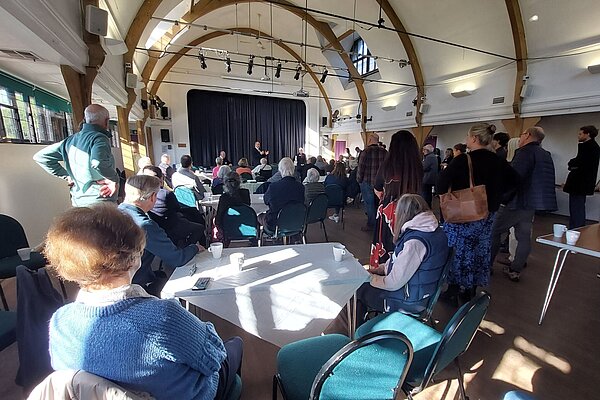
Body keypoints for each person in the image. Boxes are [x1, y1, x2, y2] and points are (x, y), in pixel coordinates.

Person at [45, 204, 242, 400]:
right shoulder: (161, 316)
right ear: (134, 257)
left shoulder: (59, 321)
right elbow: (213, 358)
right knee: (235, 345)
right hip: (192, 394)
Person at [437, 123, 518, 303]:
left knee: (457, 251)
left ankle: (453, 289)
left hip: (462, 215)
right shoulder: (498, 160)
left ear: (474, 138)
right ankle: (470, 289)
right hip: (486, 215)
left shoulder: (463, 160)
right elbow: (515, 182)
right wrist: (497, 199)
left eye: (467, 136)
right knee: (479, 251)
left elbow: (442, 183)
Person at [356, 194, 449, 326]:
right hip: (422, 294)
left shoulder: (414, 243)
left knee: (357, 289)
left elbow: (393, 282)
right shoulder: (435, 232)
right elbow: (402, 263)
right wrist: (381, 269)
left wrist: (370, 278)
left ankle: (358, 332)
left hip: (408, 301)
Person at [489, 127, 557, 282]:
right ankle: (516, 269)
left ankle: (487, 265)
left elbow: (514, 178)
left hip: (516, 202)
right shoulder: (545, 154)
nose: (519, 139)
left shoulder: (525, 153)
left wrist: (502, 198)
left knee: (494, 232)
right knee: (524, 236)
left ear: (527, 135)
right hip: (531, 203)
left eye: (521, 135)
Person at [118, 175, 202, 295]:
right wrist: (195, 248)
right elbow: (177, 258)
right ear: (153, 197)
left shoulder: (114, 214)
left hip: (112, 281)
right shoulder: (145, 225)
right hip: (135, 286)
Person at [33, 104, 119, 206]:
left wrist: (66, 175)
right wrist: (114, 179)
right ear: (106, 121)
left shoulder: (70, 141)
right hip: (101, 201)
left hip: (78, 201)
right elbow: (97, 162)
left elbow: (41, 157)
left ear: (85, 119)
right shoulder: (99, 138)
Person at [371, 130, 423, 268]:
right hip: (413, 210)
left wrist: (386, 199)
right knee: (407, 245)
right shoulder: (417, 166)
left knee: (387, 244)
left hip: (390, 211)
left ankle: (385, 272)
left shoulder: (387, 166)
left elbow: (377, 188)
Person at [143, 166, 206, 248]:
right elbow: (177, 209)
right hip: (172, 224)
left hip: (158, 224)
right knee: (199, 225)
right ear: (161, 179)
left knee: (193, 212)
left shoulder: (143, 195)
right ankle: (187, 247)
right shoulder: (165, 194)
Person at [563, 125, 600, 228]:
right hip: (582, 183)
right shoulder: (592, 147)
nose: (578, 136)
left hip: (579, 183)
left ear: (587, 134)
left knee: (576, 207)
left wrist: (571, 164)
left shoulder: (588, 147)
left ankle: (576, 228)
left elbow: (579, 163)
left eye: (580, 134)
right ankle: (576, 227)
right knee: (577, 206)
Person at [258, 157, 304, 232]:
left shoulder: (273, 187)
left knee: (259, 216)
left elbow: (266, 201)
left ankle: (257, 241)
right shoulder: (301, 187)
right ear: (293, 169)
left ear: (280, 170)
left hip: (275, 223)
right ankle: (295, 237)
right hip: (296, 222)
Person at [357, 132, 388, 231]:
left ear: (370, 140)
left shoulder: (365, 152)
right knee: (379, 203)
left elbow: (361, 168)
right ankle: (380, 224)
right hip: (381, 182)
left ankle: (371, 224)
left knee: (369, 204)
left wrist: (359, 180)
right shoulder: (385, 152)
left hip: (367, 181)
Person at [213, 172, 251, 245]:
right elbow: (247, 209)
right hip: (246, 225)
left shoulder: (224, 197)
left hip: (228, 228)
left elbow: (219, 218)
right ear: (239, 181)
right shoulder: (246, 193)